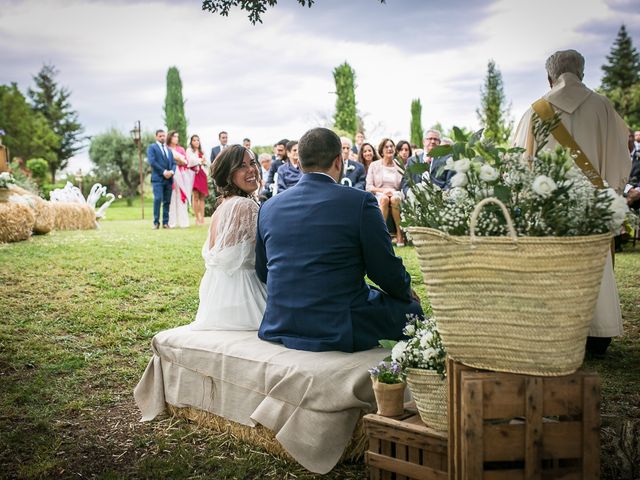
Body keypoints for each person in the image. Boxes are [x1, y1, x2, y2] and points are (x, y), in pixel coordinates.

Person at [256, 127, 423, 353]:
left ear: (300, 162)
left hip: (281, 320)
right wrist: (405, 291)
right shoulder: (360, 202)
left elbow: (263, 271)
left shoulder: (268, 207)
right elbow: (383, 269)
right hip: (338, 323)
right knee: (413, 310)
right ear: (338, 161)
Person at [512, 49, 631, 356]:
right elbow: (620, 158)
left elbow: (518, 163)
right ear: (582, 73)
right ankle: (597, 334)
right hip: (593, 200)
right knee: (594, 267)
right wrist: (611, 194)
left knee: (551, 265)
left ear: (549, 77)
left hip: (548, 206)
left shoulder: (536, 110)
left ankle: (552, 330)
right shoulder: (603, 106)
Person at [190, 145, 266, 330]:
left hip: (218, 296)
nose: (251, 170)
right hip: (245, 297)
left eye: (253, 163)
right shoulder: (246, 206)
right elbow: (266, 256)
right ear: (228, 174)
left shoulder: (222, 207)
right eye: (241, 166)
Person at [366, 138, 404, 246]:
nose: (389, 148)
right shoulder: (374, 165)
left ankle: (399, 234)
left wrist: (393, 192)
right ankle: (381, 235)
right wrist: (384, 191)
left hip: (396, 193)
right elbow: (369, 187)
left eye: (391, 146)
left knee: (395, 199)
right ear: (381, 150)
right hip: (379, 194)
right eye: (386, 147)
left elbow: (403, 185)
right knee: (384, 199)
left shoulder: (399, 165)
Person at [401, 130, 453, 195]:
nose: (433, 141)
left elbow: (450, 182)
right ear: (424, 142)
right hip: (416, 197)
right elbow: (405, 182)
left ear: (439, 143)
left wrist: (443, 196)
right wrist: (410, 194)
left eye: (435, 139)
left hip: (438, 199)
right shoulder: (412, 160)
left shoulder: (447, 159)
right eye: (430, 139)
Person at [147, 129, 175, 229]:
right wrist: (164, 172)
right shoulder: (152, 148)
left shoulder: (169, 150)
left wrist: (172, 171)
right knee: (158, 199)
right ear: (156, 137)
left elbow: (173, 163)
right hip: (157, 179)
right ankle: (156, 222)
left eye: (164, 136)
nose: (162, 137)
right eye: (160, 136)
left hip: (169, 179)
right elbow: (152, 162)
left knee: (167, 201)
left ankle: (165, 223)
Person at [167, 130, 192, 228]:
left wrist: (177, 162)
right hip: (171, 176)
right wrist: (175, 163)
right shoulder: (167, 148)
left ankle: (183, 222)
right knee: (172, 198)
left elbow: (185, 162)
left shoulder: (181, 149)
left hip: (181, 176)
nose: (176, 138)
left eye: (177, 137)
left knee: (182, 199)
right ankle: (171, 222)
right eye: (174, 136)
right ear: (170, 137)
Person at [186, 134, 209, 226]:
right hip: (194, 175)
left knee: (202, 197)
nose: (196, 142)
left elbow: (206, 162)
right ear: (191, 142)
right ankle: (197, 218)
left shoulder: (202, 151)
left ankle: (202, 218)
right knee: (195, 196)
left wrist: (203, 161)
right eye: (194, 140)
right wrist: (200, 160)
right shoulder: (189, 150)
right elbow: (190, 162)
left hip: (202, 174)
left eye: (198, 140)